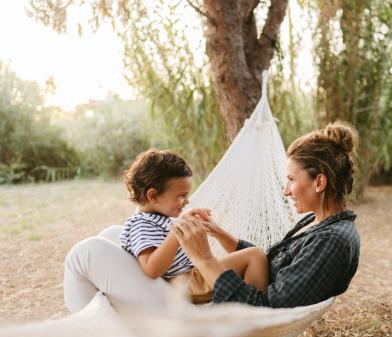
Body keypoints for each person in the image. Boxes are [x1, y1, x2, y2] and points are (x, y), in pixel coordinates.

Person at [63, 121, 360, 311]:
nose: (285, 191)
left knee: (86, 252)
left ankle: (100, 334)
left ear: (319, 183)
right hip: (182, 284)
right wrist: (216, 232)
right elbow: (267, 264)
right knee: (111, 236)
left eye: (292, 180)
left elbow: (263, 307)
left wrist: (204, 259)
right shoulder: (317, 225)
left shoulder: (332, 242)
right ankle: (108, 328)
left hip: (200, 306)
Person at [118, 149, 269, 304]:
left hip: (193, 277)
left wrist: (184, 222)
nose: (187, 201)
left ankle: (246, 306)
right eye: (181, 196)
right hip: (186, 282)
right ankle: (252, 312)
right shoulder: (141, 224)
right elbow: (151, 268)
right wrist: (178, 231)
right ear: (153, 195)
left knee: (251, 259)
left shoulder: (156, 219)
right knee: (254, 256)